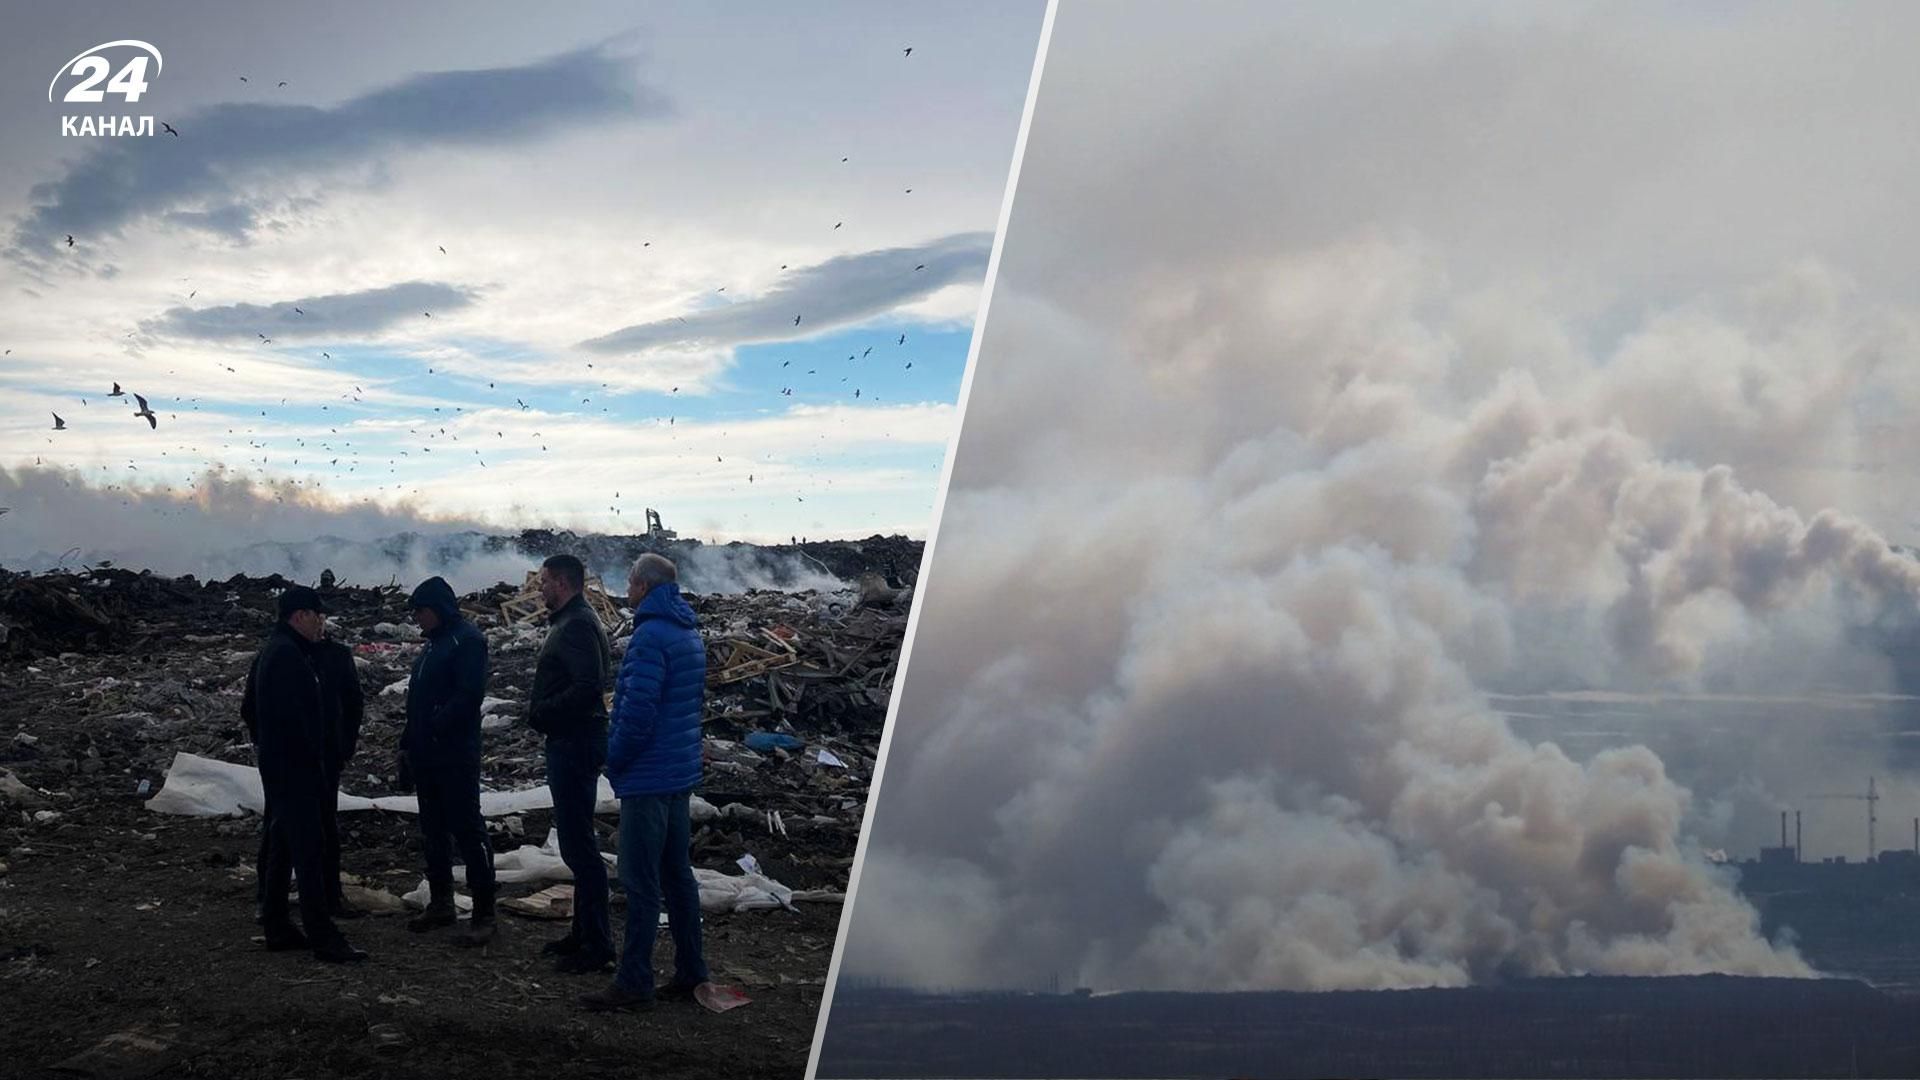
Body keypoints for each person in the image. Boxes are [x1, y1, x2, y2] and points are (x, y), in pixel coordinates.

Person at [582, 553, 709, 1011]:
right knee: (677, 876)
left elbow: (636, 713)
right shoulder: (687, 631)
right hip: (678, 773)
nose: (627, 587)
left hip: (648, 776)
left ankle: (635, 981)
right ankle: (691, 972)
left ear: (643, 586)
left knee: (639, 881)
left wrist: (614, 761)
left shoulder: (649, 636)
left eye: (631, 581)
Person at [241, 586, 366, 964]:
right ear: (300, 616)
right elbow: (294, 719)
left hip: (283, 766)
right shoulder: (286, 655)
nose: (321, 623)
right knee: (309, 850)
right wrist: (313, 759)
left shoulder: (282, 650)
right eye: (317, 615)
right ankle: (323, 936)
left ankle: (277, 925)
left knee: (282, 846)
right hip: (296, 769)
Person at [526, 554, 614, 973]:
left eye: (544, 581)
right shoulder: (574, 619)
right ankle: (582, 933)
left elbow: (587, 686)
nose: (539, 588)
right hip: (573, 739)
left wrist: (544, 712)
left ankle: (597, 945)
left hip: (575, 741)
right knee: (576, 842)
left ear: (561, 583)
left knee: (580, 847)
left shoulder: (576, 624)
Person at [399, 576, 497, 945]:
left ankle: (485, 912)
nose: (417, 618)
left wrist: (436, 728)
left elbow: (468, 696)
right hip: (427, 753)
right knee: (433, 829)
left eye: (421, 611)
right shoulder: (434, 644)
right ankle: (442, 902)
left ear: (438, 609)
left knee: (468, 828)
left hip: (454, 752)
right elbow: (419, 700)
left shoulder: (467, 641)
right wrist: (408, 743)